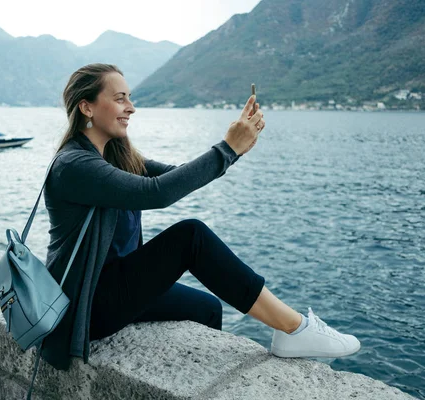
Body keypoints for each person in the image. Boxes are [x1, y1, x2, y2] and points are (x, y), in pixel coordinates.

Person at [40, 63, 360, 370]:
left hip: (117, 285)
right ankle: (295, 328)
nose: (131, 107)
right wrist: (226, 149)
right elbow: (157, 193)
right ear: (87, 108)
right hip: (87, 303)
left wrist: (235, 147)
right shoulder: (75, 165)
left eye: (130, 97)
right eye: (120, 98)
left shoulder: (114, 156)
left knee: (208, 308)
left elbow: (174, 177)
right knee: (190, 237)